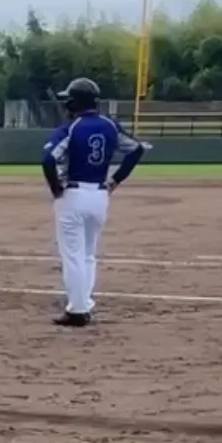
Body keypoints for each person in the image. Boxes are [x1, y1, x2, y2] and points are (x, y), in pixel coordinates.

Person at [41, 78, 146, 327]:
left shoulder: (71, 127)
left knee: (73, 255)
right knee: (88, 254)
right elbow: (137, 149)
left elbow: (48, 159)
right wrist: (116, 180)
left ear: (74, 102)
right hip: (99, 195)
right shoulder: (110, 125)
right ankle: (84, 304)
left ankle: (77, 309)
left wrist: (56, 189)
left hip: (73, 195)